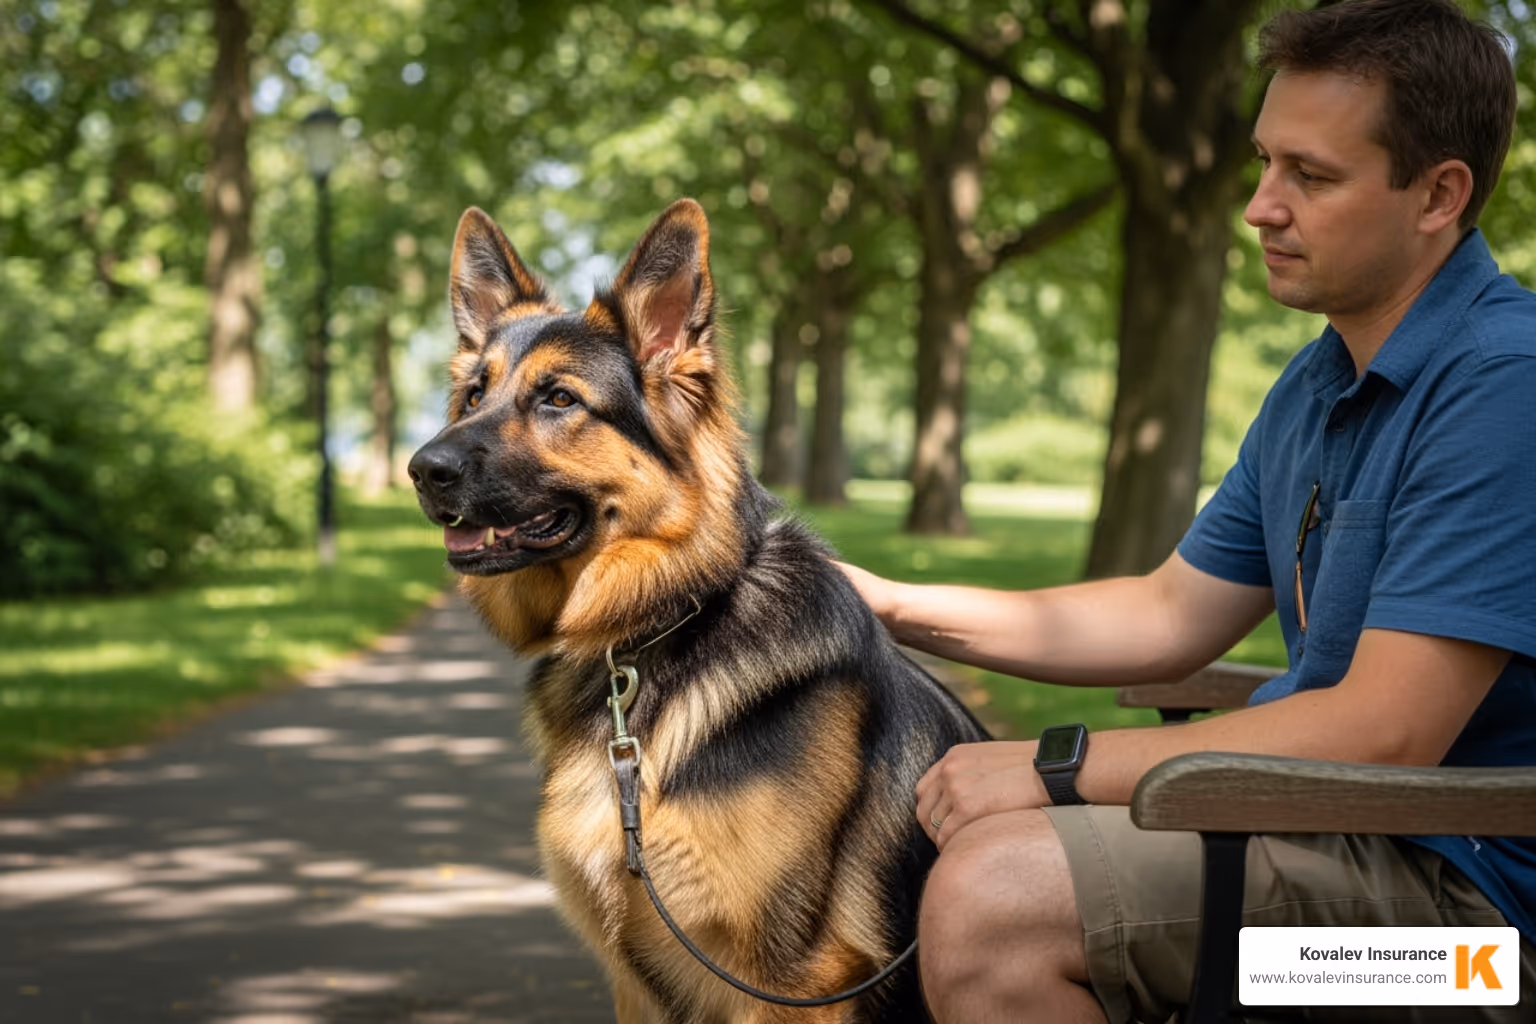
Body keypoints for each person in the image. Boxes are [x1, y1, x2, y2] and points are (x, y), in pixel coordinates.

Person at [838, 1, 1536, 1021]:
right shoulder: (1316, 385)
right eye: (1263, 162)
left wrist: (1056, 766)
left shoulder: (1504, 385)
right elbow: (1167, 615)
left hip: (1473, 946)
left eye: (1311, 176)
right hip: (1332, 848)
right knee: (943, 851)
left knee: (998, 905)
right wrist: (884, 602)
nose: (1259, 207)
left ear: (1439, 194)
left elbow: (1385, 731)